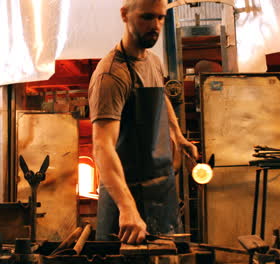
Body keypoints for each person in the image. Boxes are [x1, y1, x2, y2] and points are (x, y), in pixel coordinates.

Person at [88, 0, 198, 245]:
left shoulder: (153, 61)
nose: (156, 26)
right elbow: (102, 146)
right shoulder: (111, 75)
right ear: (125, 15)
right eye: (147, 17)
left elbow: (162, 98)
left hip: (160, 192)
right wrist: (127, 208)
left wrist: (178, 137)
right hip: (125, 202)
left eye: (160, 18)